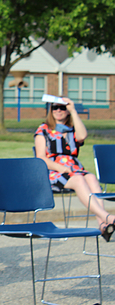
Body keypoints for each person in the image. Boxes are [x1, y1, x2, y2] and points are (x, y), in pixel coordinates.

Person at [35, 97, 115, 241]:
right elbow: (41, 158)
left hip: (75, 169)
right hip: (53, 171)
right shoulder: (44, 129)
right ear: (51, 110)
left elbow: (83, 136)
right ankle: (107, 217)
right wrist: (62, 168)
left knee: (90, 177)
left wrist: (74, 111)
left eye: (63, 108)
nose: (59, 110)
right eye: (55, 108)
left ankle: (102, 224)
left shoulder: (72, 129)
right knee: (79, 179)